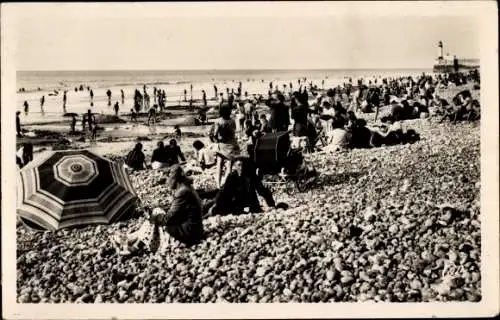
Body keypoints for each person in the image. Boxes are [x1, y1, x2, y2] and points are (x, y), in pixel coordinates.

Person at [150, 164, 204, 246]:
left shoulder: (182, 192)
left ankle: (142, 244)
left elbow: (167, 219)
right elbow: (179, 210)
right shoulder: (186, 187)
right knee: (157, 213)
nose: (167, 183)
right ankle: (138, 241)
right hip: (195, 229)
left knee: (155, 218)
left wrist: (155, 217)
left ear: (174, 179)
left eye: (168, 179)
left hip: (189, 233)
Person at [205, 156, 276, 216]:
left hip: (249, 202)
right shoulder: (232, 176)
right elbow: (224, 193)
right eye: (239, 165)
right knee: (212, 208)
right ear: (235, 167)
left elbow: (262, 190)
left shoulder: (251, 176)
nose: (241, 168)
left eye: (243, 165)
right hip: (233, 203)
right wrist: (217, 204)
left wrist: (271, 205)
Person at [212, 106, 240, 189]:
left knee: (219, 164)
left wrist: (217, 140)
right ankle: (227, 184)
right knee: (229, 165)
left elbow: (215, 134)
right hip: (231, 143)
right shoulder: (232, 121)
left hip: (221, 144)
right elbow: (233, 132)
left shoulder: (218, 121)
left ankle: (218, 184)